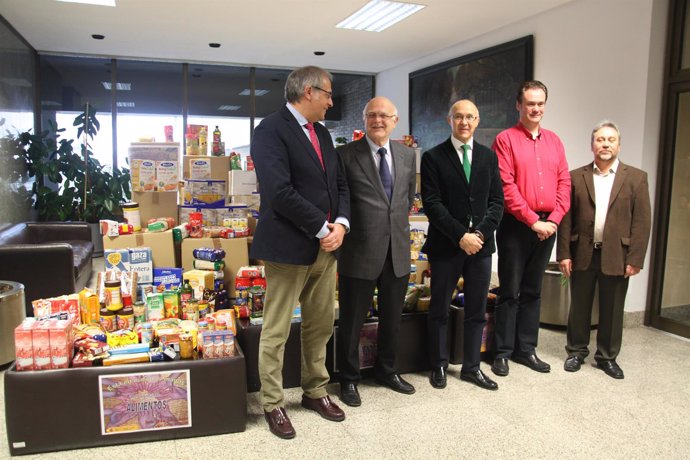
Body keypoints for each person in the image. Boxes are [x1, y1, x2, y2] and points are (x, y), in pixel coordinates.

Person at [250, 66, 351, 439]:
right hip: (288, 247)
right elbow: (279, 191)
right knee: (276, 330)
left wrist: (340, 223)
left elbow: (339, 184)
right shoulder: (270, 130)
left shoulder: (322, 133)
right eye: (327, 94)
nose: (331, 100)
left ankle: (315, 390)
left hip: (327, 250)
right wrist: (322, 227)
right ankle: (273, 403)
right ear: (308, 92)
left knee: (320, 324)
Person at [336, 96, 417, 407]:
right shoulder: (345, 155)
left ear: (395, 121)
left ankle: (387, 371)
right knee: (352, 320)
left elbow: (406, 200)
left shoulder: (407, 156)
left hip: (397, 249)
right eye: (372, 115)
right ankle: (349, 379)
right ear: (364, 120)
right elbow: (341, 199)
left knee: (392, 318)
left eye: (384, 116)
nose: (378, 120)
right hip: (359, 250)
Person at [557, 121, 651, 379]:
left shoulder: (636, 178)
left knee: (612, 309)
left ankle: (607, 357)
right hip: (582, 252)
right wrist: (564, 253)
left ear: (619, 145)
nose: (605, 144)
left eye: (610, 139)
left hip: (618, 255)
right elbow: (565, 218)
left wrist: (636, 258)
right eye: (600, 139)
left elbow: (642, 222)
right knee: (579, 306)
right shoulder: (576, 177)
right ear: (592, 145)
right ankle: (576, 351)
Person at [421, 99, 504, 390]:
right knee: (440, 309)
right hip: (446, 247)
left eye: (470, 117)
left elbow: (496, 202)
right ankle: (439, 365)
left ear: (477, 121)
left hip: (481, 248)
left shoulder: (488, 157)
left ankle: (471, 367)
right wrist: (461, 236)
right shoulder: (433, 158)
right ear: (450, 120)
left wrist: (479, 235)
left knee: (476, 310)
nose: (464, 122)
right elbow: (432, 204)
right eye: (459, 117)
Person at [491, 80, 571, 376]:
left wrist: (553, 220)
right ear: (519, 106)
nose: (535, 109)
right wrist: (532, 220)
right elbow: (506, 186)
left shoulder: (555, 141)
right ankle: (501, 352)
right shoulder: (506, 140)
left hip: (547, 225)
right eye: (530, 104)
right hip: (516, 224)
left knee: (533, 290)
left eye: (540, 104)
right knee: (509, 290)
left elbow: (564, 182)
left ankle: (526, 349)